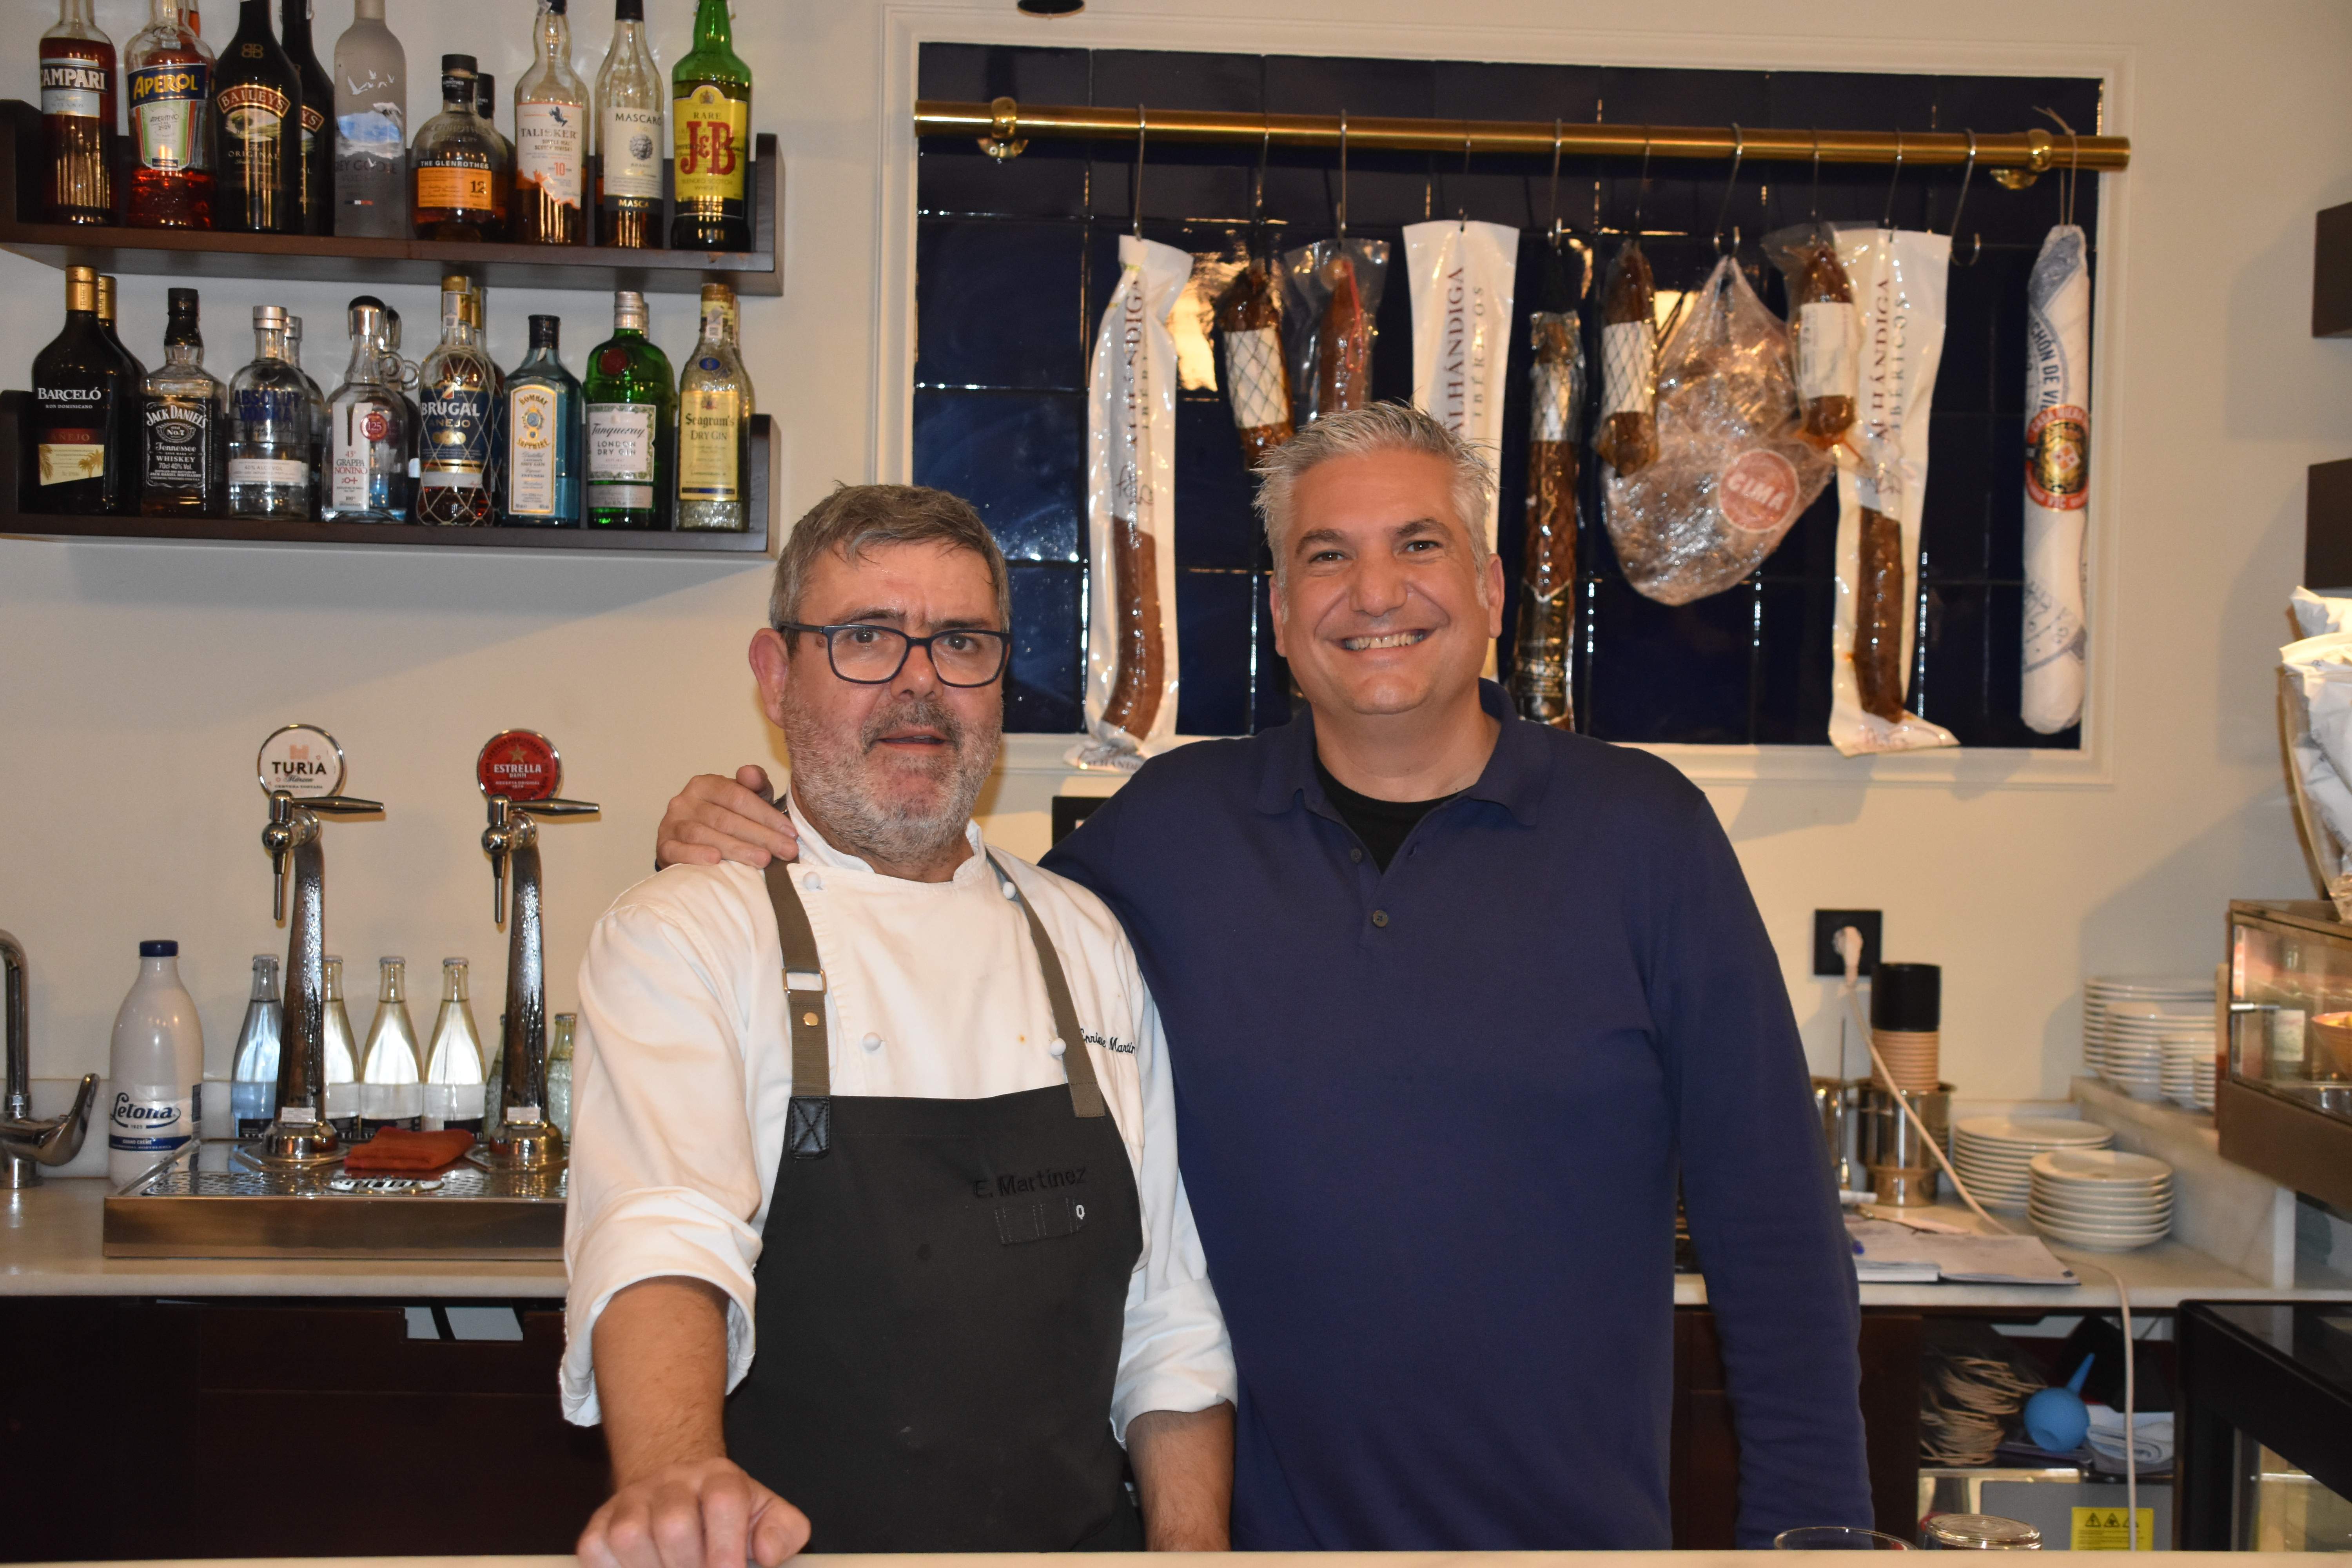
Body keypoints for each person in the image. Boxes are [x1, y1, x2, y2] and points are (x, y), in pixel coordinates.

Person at [654, 407, 1872, 1549]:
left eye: (1419, 545)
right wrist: (752, 842)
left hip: (1569, 1552)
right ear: (1285, 616)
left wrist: (1818, 1542)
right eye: (1327, 558)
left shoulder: (1645, 838)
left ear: (1490, 588)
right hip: (1259, 1555)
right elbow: (943, 911)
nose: (1376, 592)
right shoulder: (1173, 835)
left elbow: (1774, 1231)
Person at [567, 484, 1236, 1568]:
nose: (920, 681)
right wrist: (673, 1472)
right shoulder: (688, 930)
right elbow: (661, 1232)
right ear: (776, 677)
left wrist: (1192, 1545)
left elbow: (1169, 1319)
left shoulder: (1084, 939)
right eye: (867, 638)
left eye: (960, 642)